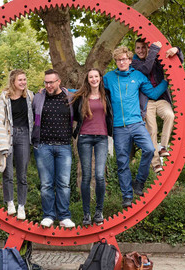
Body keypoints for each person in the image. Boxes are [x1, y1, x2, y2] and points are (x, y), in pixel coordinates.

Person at [103, 46, 168, 208]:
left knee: (149, 149)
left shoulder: (138, 76)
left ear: (130, 60)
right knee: (122, 163)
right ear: (116, 61)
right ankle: (127, 196)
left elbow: (152, 94)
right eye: (118, 60)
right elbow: (92, 91)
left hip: (137, 123)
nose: (122, 62)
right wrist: (68, 91)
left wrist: (166, 81)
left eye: (124, 59)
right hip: (118, 127)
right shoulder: (108, 78)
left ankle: (139, 181)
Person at [132, 38, 184, 173]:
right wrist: (154, 50)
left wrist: (176, 50)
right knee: (152, 130)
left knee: (170, 115)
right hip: (147, 101)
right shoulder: (134, 63)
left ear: (148, 48)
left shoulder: (157, 59)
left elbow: (176, 63)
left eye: (144, 47)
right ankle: (155, 163)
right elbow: (146, 69)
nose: (141, 50)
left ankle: (163, 147)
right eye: (138, 48)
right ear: (135, 50)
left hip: (161, 99)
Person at [32, 69, 75, 228]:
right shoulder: (38, 97)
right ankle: (49, 215)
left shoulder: (70, 97)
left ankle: (64, 216)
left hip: (64, 146)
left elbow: (85, 90)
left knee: (63, 183)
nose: (49, 85)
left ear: (59, 82)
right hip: (43, 146)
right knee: (46, 184)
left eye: (51, 82)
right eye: (46, 82)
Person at [0, 69, 34, 220]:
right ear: (13, 82)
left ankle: (21, 205)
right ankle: (10, 202)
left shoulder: (30, 96)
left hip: (24, 135)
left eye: (24, 79)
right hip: (9, 135)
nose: (23, 82)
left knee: (22, 174)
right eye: (20, 80)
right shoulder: (5, 98)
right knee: (7, 172)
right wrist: (2, 145)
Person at [71, 68, 113, 226]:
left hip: (102, 137)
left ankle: (99, 211)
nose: (94, 79)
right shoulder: (81, 96)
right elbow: (74, 114)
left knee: (100, 176)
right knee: (86, 176)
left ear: (100, 78)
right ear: (87, 79)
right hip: (84, 137)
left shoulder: (106, 94)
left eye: (96, 76)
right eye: (91, 77)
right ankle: (86, 213)